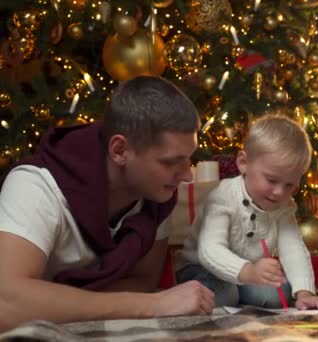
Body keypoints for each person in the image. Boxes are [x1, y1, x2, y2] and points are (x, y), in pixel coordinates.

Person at [0, 76, 214, 332]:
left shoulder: (157, 194)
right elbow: (6, 303)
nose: (187, 175)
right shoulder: (36, 187)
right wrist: (152, 305)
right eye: (170, 162)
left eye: (189, 159)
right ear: (120, 150)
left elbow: (143, 280)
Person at [175, 115, 318, 310]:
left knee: (278, 296)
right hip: (201, 267)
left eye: (289, 185)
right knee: (225, 294)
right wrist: (248, 271)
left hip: (248, 271)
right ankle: (237, 295)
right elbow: (210, 251)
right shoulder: (223, 195)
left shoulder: (284, 205)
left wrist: (305, 292)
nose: (279, 192)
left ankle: (243, 295)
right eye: (271, 180)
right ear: (243, 163)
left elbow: (293, 249)